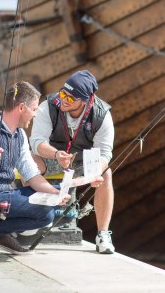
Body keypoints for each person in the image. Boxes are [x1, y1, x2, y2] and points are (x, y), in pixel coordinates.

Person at [0, 81, 81, 258]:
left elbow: (32, 175)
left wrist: (55, 193)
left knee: (62, 207)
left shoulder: (19, 135)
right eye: (34, 109)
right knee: (44, 210)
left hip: (2, 199)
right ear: (21, 108)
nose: (35, 115)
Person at [30, 70, 116, 254]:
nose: (64, 99)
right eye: (63, 93)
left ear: (85, 100)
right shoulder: (49, 106)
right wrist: (56, 154)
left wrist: (95, 173)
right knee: (31, 162)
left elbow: (105, 153)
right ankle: (28, 222)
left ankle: (102, 235)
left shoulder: (102, 115)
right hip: (51, 157)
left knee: (106, 173)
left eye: (70, 98)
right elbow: (37, 142)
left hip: (82, 162)